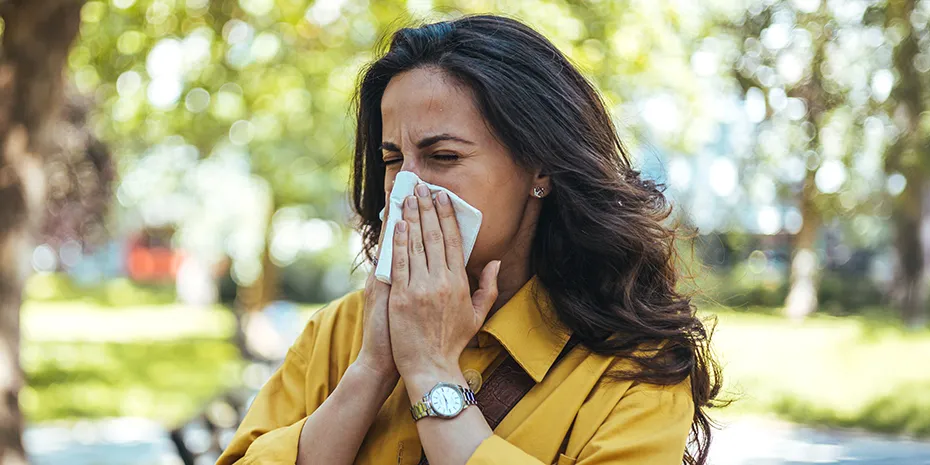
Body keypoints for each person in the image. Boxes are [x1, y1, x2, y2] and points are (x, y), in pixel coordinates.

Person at [218, 14, 722, 465]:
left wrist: (433, 371)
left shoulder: (633, 369)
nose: (406, 189)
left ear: (540, 166)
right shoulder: (341, 331)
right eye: (393, 160)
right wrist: (371, 370)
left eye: (443, 157)